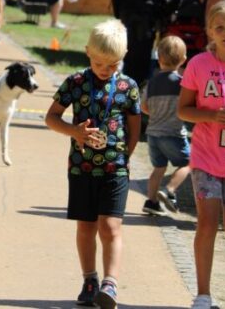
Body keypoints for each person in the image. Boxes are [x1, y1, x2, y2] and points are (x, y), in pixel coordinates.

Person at [45, 19, 141, 309]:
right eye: (99, 63)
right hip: (81, 167)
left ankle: (111, 283)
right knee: (86, 227)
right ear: (88, 52)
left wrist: (125, 156)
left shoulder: (128, 86)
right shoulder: (75, 82)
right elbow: (51, 117)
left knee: (110, 226)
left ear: (122, 58)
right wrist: (74, 132)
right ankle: (90, 280)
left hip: (115, 170)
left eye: (112, 64)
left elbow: (134, 127)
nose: (105, 69)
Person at [177, 0, 225, 309]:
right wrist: (212, 116)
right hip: (206, 158)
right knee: (207, 224)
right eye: (220, 27)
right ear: (210, 32)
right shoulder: (198, 64)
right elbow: (183, 110)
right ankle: (203, 294)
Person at [140, 36, 190, 217]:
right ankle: (170, 190)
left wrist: (156, 113)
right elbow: (187, 105)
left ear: (159, 58)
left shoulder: (152, 82)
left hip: (152, 134)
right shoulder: (182, 83)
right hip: (173, 133)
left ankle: (151, 202)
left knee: (158, 168)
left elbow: (144, 107)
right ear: (183, 60)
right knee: (189, 163)